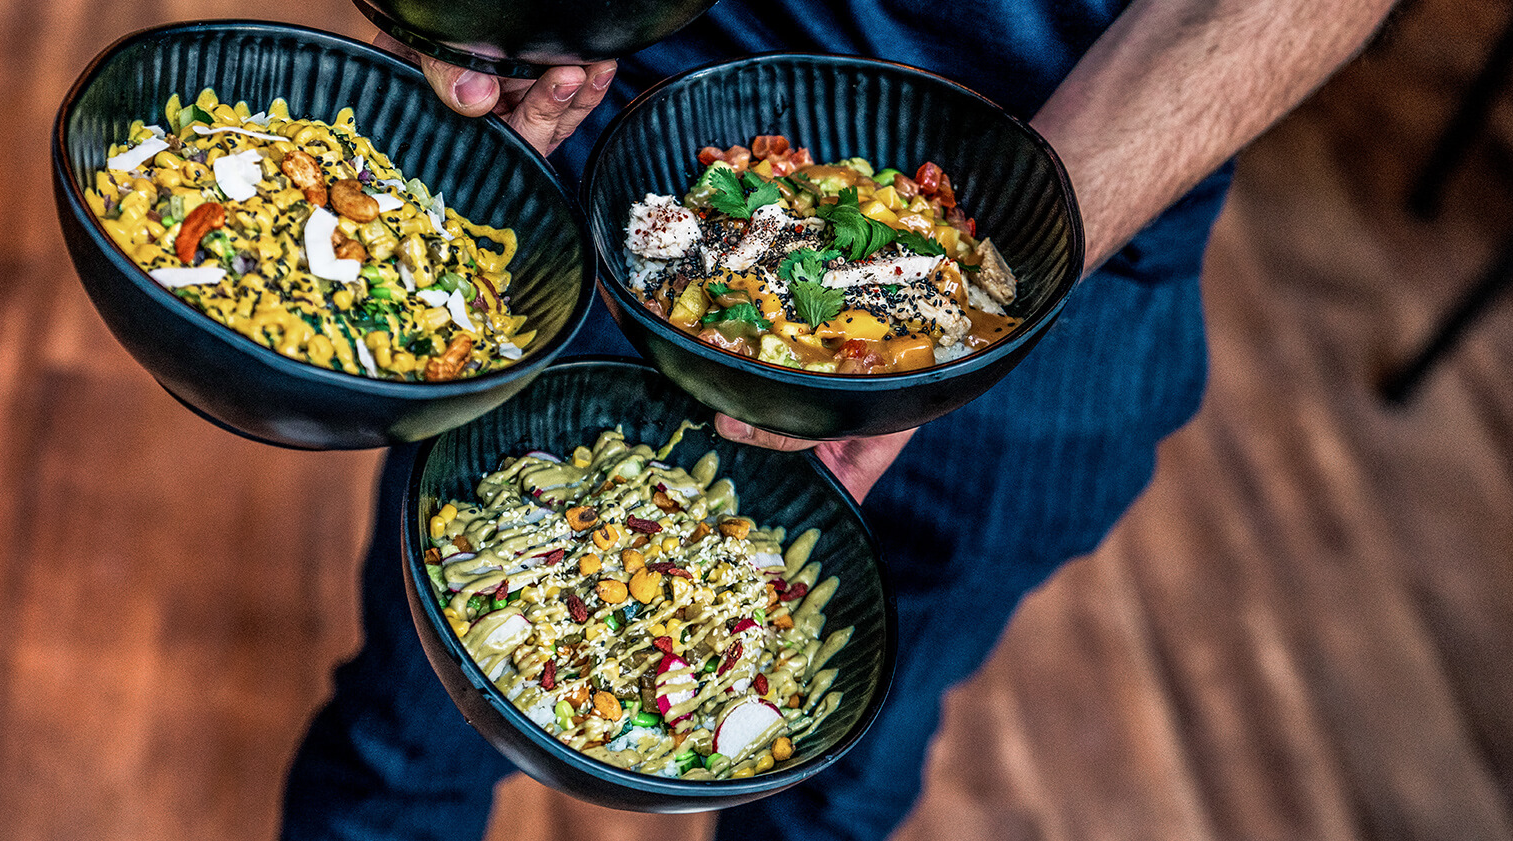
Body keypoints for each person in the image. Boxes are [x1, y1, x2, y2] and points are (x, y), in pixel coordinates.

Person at [281, 1, 1397, 839]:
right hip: (659, 154)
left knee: (836, 772)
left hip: (1085, 246)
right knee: (416, 721)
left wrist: (978, 288)